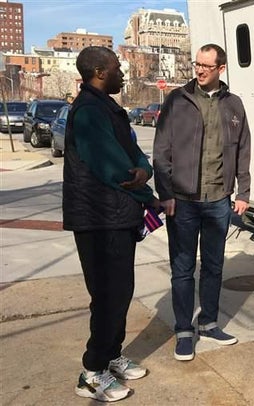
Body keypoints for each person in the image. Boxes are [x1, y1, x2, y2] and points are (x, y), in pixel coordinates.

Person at [63, 46, 155, 402]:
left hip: (117, 216)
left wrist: (144, 171)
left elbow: (135, 157)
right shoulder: (87, 111)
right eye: (117, 68)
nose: (122, 74)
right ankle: (92, 372)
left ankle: (111, 355)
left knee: (121, 292)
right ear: (100, 72)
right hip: (98, 219)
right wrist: (148, 195)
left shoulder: (107, 108)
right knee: (108, 296)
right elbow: (115, 168)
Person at [153, 43, 251, 361]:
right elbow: (161, 151)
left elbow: (243, 149)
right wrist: (165, 193)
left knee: (213, 266)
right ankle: (184, 330)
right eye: (197, 64)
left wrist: (244, 191)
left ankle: (208, 323)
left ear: (221, 68)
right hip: (182, 202)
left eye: (206, 66)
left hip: (219, 200)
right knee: (182, 269)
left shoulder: (233, 105)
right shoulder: (177, 101)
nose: (199, 70)